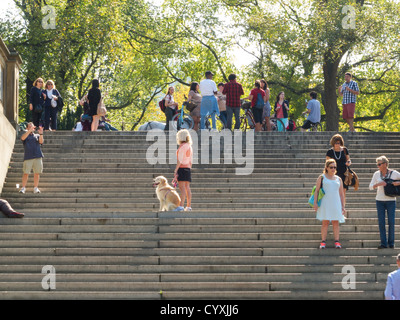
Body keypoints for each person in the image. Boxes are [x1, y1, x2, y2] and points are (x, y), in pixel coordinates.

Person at [313, 159, 346, 249]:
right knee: (325, 222)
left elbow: (341, 194)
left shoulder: (338, 179)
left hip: (336, 203)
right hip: (325, 203)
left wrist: (343, 206)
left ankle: (337, 242)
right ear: (326, 168)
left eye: (334, 167)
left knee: (336, 222)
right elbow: (316, 191)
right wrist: (315, 203)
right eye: (331, 167)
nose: (333, 169)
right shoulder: (322, 177)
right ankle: (323, 242)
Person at [369, 156, 400, 249]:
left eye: (379, 164)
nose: (378, 166)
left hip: (391, 200)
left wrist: (397, 183)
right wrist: (378, 184)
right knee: (381, 222)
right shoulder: (376, 174)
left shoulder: (394, 173)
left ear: (385, 164)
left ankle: (391, 243)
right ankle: (383, 243)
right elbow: (370, 187)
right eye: (377, 164)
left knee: (391, 222)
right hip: (380, 200)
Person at [19, 122, 44, 194]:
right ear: (27, 128)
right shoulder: (25, 135)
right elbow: (22, 138)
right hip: (28, 157)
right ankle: (23, 187)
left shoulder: (37, 135)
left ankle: (35, 188)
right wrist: (29, 131)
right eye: (29, 127)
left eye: (32, 126)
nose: (31, 128)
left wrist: (41, 134)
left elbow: (41, 142)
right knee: (26, 173)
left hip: (37, 156)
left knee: (37, 173)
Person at [326, 134, 351, 205]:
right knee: (334, 192)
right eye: (336, 143)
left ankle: (342, 209)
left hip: (343, 173)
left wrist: (348, 162)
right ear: (333, 143)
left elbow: (348, 159)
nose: (337, 144)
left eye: (339, 143)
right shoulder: (330, 152)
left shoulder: (345, 150)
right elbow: (327, 164)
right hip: (333, 173)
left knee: (343, 193)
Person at [173, 129, 193, 211]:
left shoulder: (182, 146)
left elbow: (180, 160)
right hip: (188, 168)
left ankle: (181, 206)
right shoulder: (189, 146)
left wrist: (176, 170)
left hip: (182, 168)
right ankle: (188, 206)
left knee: (182, 188)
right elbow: (191, 160)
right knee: (187, 187)